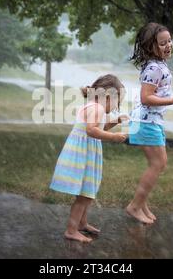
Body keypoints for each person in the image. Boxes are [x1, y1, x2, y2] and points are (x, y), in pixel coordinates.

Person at [50, 74, 128, 242]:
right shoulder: (97, 108)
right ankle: (71, 230)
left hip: (87, 152)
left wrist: (115, 122)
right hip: (83, 153)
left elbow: (100, 127)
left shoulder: (93, 106)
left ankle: (81, 223)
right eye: (118, 101)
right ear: (108, 96)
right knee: (84, 195)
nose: (117, 105)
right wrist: (113, 138)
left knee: (88, 190)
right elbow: (92, 130)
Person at [126, 23, 173, 224]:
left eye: (169, 41)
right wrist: (171, 100)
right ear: (150, 47)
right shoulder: (154, 67)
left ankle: (141, 203)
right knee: (158, 163)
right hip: (145, 121)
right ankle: (135, 206)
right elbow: (146, 97)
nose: (168, 45)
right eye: (162, 43)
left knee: (157, 164)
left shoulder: (158, 64)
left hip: (152, 121)